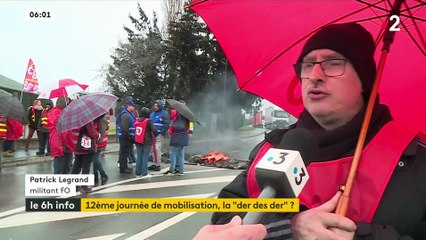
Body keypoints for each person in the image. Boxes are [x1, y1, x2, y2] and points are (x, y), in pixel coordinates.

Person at [195, 23, 426, 239]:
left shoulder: (415, 157)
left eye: (333, 63)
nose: (315, 76)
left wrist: (359, 235)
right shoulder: (273, 148)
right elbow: (226, 217)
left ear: (365, 79)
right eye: (307, 65)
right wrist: (289, 228)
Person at [47, 96, 73, 174]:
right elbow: (57, 122)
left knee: (67, 167)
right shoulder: (55, 111)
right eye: (67, 102)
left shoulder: (67, 112)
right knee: (59, 169)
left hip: (68, 142)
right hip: (59, 142)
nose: (69, 104)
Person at [164, 107, 190, 176]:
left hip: (176, 137)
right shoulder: (187, 115)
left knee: (173, 154)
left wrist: (170, 130)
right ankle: (180, 170)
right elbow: (188, 127)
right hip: (184, 137)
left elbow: (173, 126)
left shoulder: (175, 114)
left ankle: (172, 170)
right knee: (181, 154)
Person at [134, 107, 157, 178]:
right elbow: (155, 130)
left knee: (139, 156)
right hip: (146, 141)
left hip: (138, 140)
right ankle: (144, 173)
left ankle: (138, 173)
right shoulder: (148, 121)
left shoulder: (137, 120)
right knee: (145, 157)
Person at [148, 100, 170, 171]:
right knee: (152, 149)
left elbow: (166, 124)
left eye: (157, 106)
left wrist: (161, 133)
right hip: (152, 134)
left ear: (160, 106)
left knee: (157, 149)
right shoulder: (152, 114)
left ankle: (158, 164)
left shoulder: (164, 113)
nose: (156, 107)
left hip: (159, 134)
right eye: (155, 106)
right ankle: (154, 163)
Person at [117, 99, 136, 174]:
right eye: (133, 106)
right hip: (125, 138)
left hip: (125, 137)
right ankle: (123, 168)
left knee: (125, 153)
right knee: (124, 153)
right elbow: (124, 128)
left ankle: (125, 167)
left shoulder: (128, 113)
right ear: (128, 105)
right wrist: (129, 137)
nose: (134, 107)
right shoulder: (125, 115)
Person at [92, 113, 109, 185]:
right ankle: (95, 175)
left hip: (99, 143)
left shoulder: (101, 120)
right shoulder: (99, 119)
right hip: (98, 142)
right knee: (94, 159)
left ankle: (103, 174)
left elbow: (101, 133)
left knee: (94, 159)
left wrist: (96, 142)